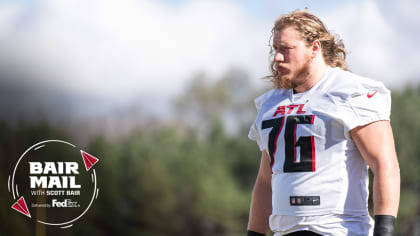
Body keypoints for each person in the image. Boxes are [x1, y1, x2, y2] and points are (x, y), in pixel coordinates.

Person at [247, 10, 400, 236]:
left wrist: (384, 230)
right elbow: (265, 181)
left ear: (314, 48)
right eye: (275, 49)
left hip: (337, 230)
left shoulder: (350, 92)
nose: (277, 57)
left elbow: (385, 165)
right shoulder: (271, 104)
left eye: (286, 49)